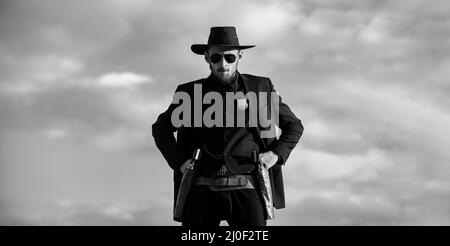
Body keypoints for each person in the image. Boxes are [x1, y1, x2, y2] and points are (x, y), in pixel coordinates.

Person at [152, 26, 304, 226]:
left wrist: (275, 154)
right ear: (206, 57)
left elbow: (294, 126)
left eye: (230, 58)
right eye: (216, 58)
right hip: (200, 190)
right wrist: (180, 162)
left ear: (240, 56)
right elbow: (160, 129)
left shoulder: (261, 88)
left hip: (248, 189)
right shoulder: (188, 93)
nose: (223, 64)